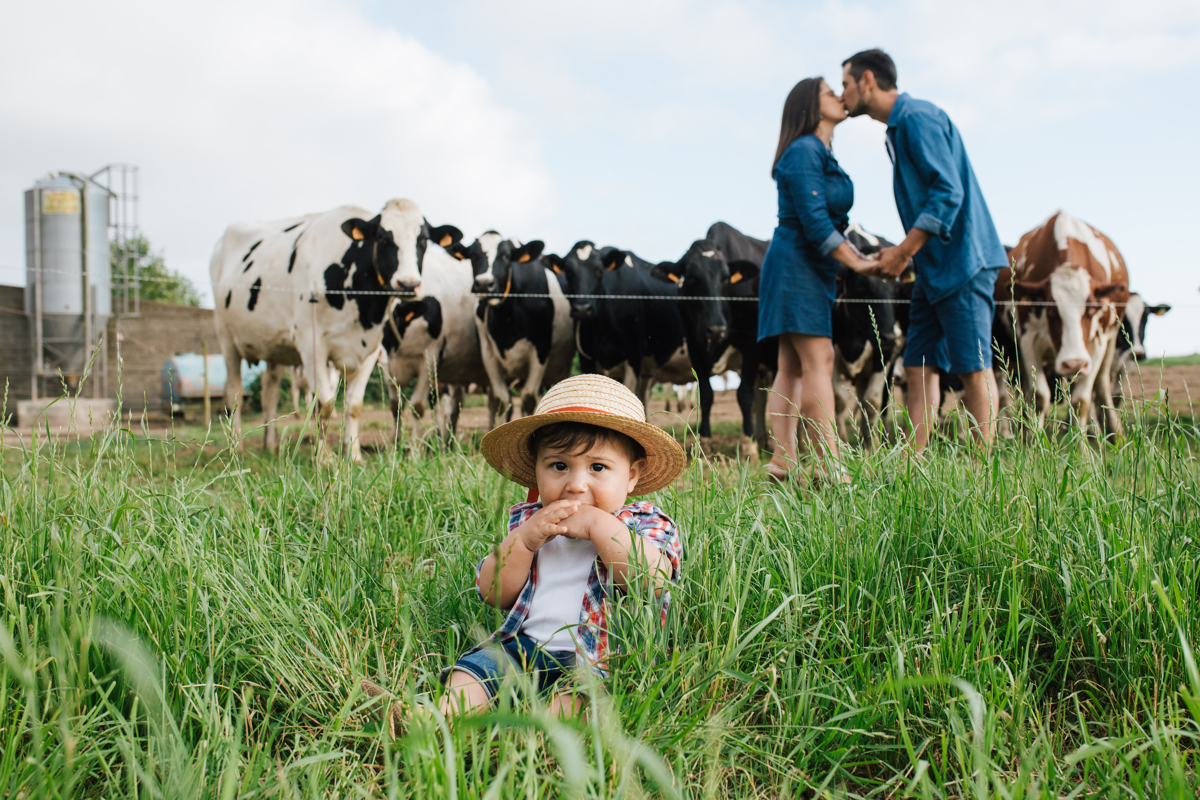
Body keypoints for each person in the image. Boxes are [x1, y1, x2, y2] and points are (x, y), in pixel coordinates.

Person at [359, 374, 685, 734]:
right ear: (537, 471)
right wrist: (526, 541)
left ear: (632, 477)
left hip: (599, 660)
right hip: (523, 649)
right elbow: (493, 592)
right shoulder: (531, 523)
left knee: (575, 701)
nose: (576, 484)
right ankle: (428, 719)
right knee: (475, 672)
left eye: (597, 468)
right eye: (559, 466)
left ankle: (539, 743)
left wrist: (600, 527)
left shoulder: (641, 523)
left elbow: (653, 581)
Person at [840, 48, 1008, 451]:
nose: (842, 93)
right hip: (933, 267)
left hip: (963, 261)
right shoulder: (897, 129)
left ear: (867, 79)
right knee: (916, 365)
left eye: (845, 84)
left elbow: (948, 192)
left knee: (973, 368)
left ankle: (987, 472)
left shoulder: (916, 118)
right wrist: (906, 252)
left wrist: (902, 252)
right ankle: (916, 466)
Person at [758, 77, 879, 482]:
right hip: (798, 262)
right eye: (831, 92)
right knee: (819, 360)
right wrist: (858, 262)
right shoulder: (805, 150)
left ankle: (783, 460)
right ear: (811, 105)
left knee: (792, 365)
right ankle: (828, 462)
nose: (840, 96)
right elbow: (814, 222)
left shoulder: (818, 151)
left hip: (808, 264)